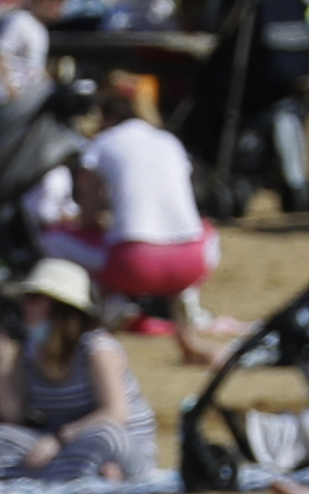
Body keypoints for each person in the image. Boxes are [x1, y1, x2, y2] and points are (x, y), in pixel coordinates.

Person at [0, 262, 154, 487]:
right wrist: (2, 363)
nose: (24, 305)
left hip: (116, 442)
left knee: (104, 436)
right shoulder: (29, 350)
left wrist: (59, 439)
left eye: (34, 298)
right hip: (61, 445)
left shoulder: (97, 349)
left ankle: (16, 472)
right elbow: (12, 416)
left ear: (61, 306)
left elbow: (115, 414)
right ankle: (76, 474)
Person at [77, 73, 215, 319]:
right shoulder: (169, 141)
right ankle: (187, 301)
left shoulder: (101, 144)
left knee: (56, 238)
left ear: (106, 116)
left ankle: (114, 302)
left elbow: (88, 216)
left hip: (134, 263)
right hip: (190, 263)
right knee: (207, 232)